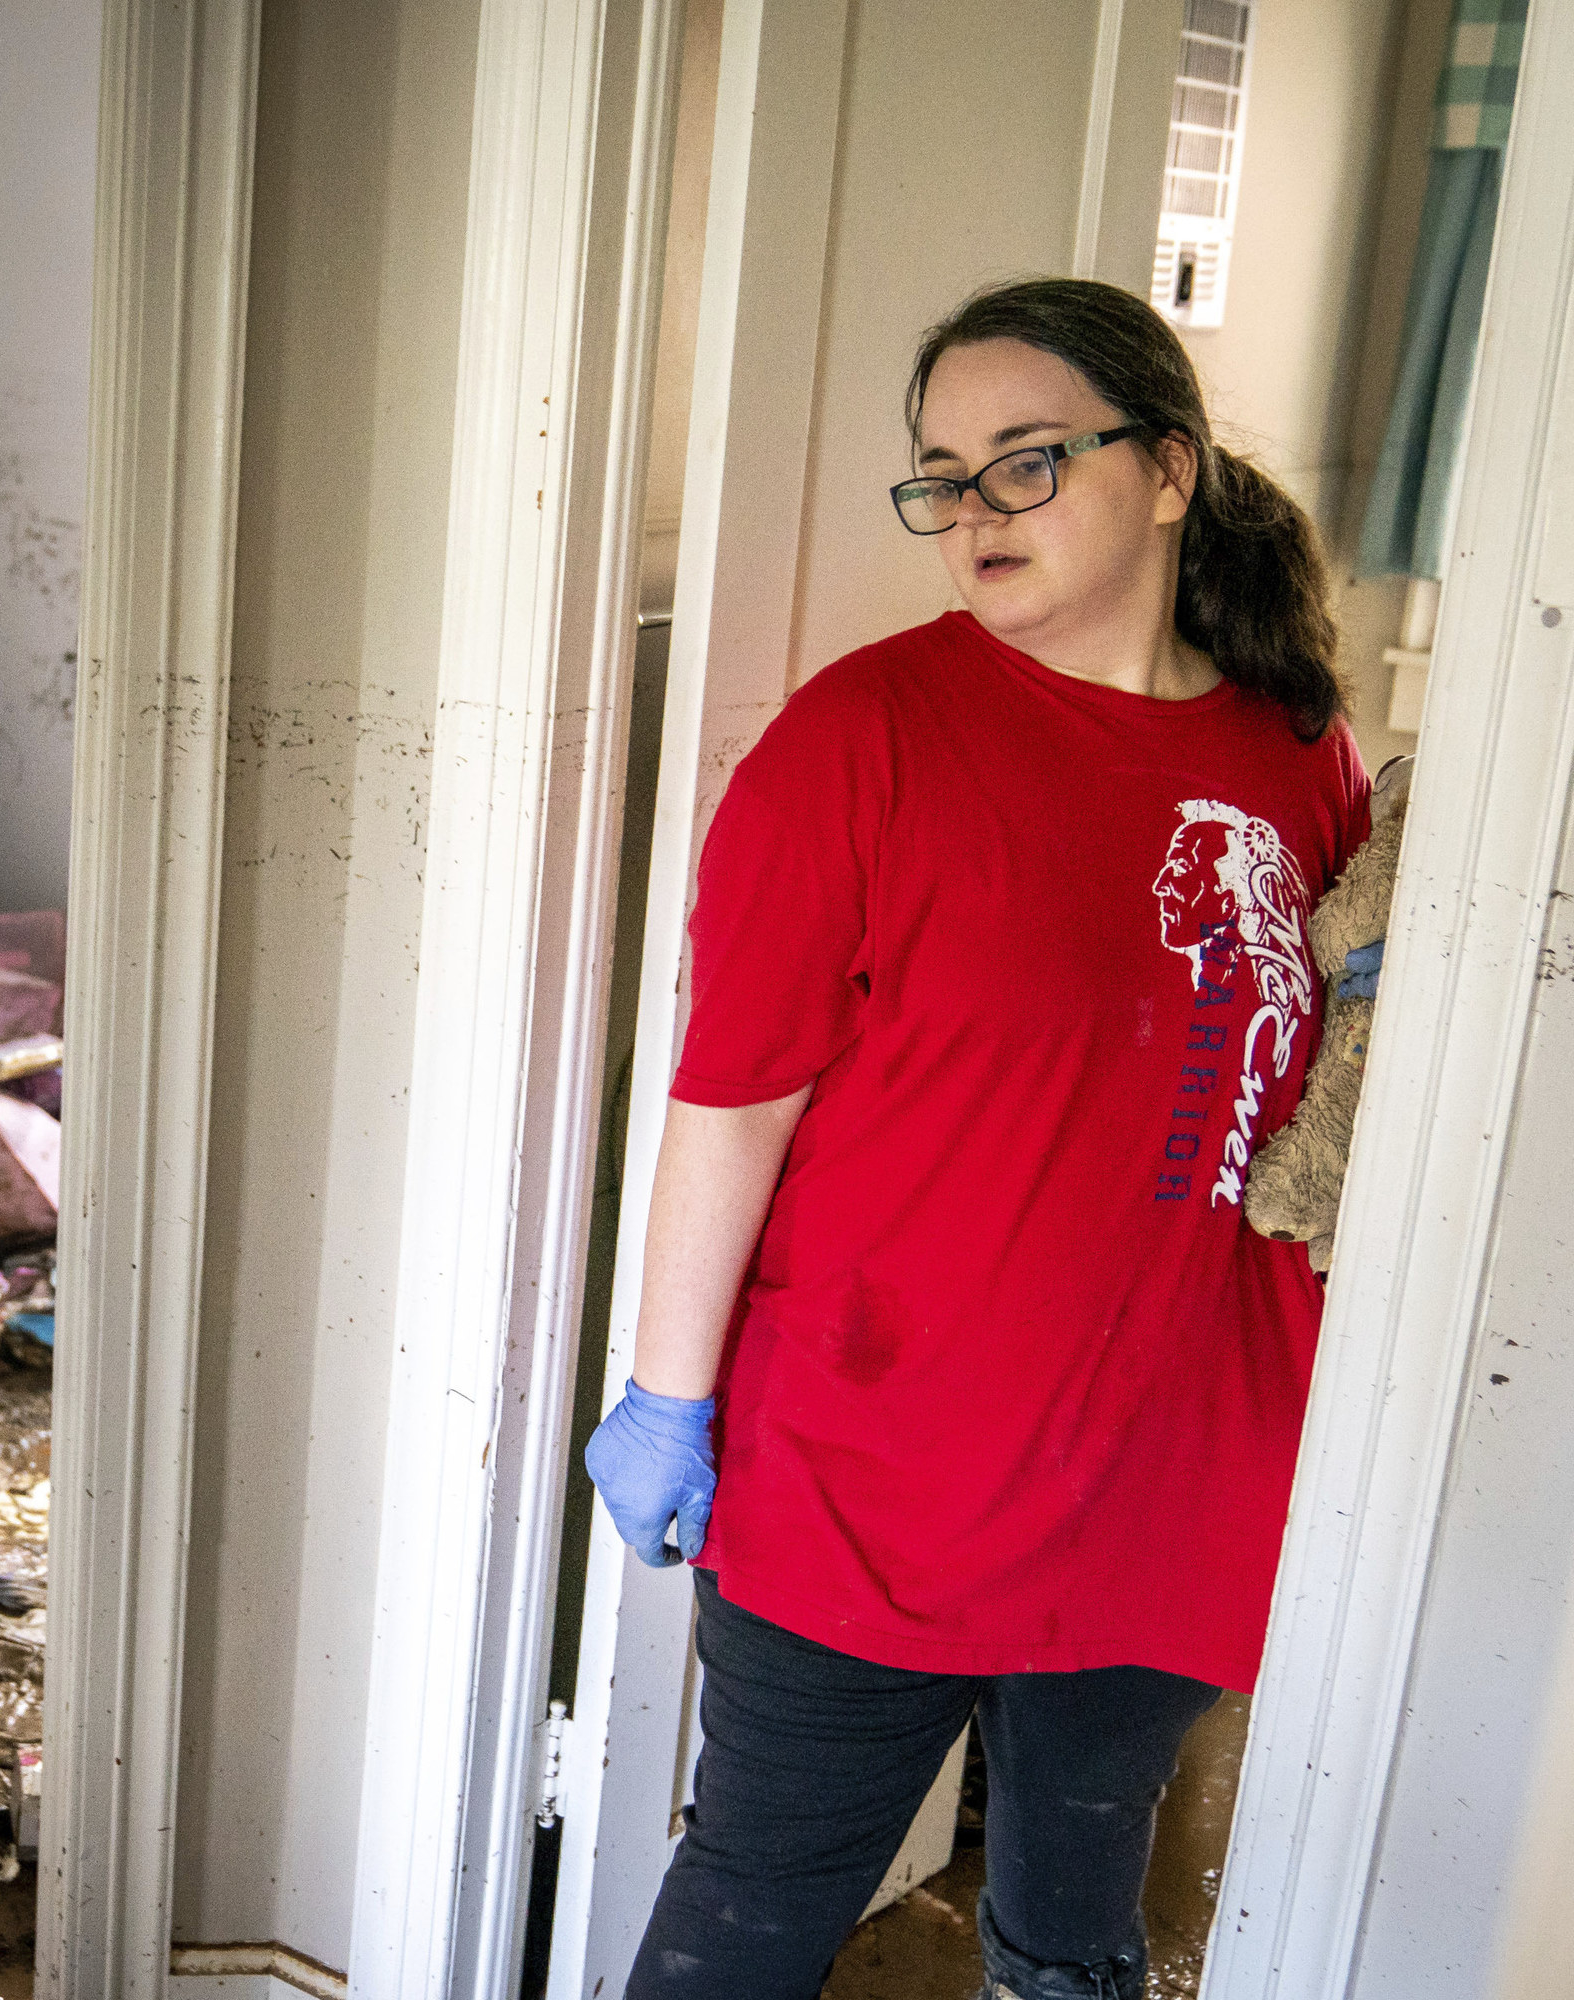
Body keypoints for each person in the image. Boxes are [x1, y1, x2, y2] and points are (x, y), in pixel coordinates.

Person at [584, 276, 1371, 2000]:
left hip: (1165, 1459)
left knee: (1074, 1923)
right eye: (942, 474)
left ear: (1167, 471)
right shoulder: (858, 743)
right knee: (754, 1910)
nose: (970, 513)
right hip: (874, 1464)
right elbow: (735, 1102)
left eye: (1026, 463)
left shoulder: (1294, 752)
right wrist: (668, 1396)